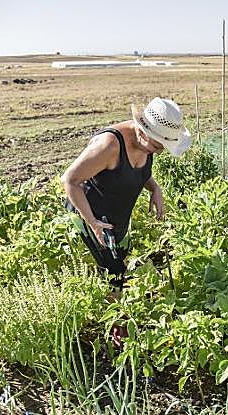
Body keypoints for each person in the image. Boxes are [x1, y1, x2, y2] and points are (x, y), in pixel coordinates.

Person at [61, 97, 192, 289]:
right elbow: (70, 180)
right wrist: (93, 222)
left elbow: (130, 172)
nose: (158, 152)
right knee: (112, 276)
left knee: (120, 265)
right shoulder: (109, 146)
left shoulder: (144, 145)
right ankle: (113, 305)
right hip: (93, 216)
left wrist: (154, 188)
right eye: (157, 146)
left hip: (117, 217)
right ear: (143, 131)